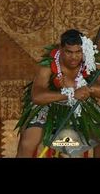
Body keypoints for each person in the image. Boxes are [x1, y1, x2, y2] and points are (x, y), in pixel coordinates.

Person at [15, 29, 100, 157]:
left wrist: (90, 89)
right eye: (69, 52)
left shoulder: (90, 62)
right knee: (27, 142)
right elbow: (37, 96)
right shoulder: (49, 65)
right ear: (61, 49)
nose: (74, 57)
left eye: (78, 52)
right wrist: (70, 93)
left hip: (80, 105)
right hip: (49, 104)